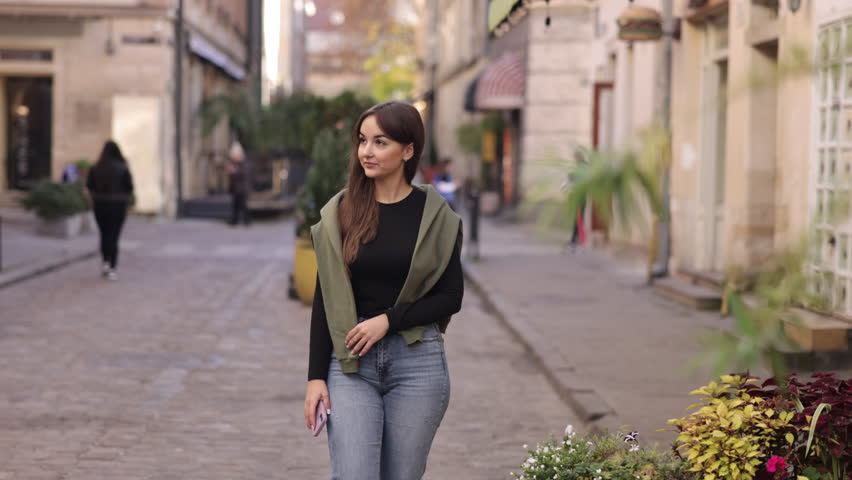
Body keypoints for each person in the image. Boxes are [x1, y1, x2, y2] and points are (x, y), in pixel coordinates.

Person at [304, 101, 464, 480]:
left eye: (380, 142)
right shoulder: (342, 211)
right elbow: (325, 296)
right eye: (362, 141)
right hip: (351, 363)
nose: (366, 151)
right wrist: (315, 377)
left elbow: (450, 297)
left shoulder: (435, 215)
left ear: (408, 151)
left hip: (417, 363)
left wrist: (387, 322)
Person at [86, 140, 134, 280]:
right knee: (114, 236)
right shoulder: (123, 167)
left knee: (104, 234)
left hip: (100, 205)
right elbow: (130, 187)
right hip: (117, 206)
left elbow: (89, 186)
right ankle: (112, 266)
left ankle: (105, 262)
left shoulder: (96, 167)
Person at [226, 140, 250, 226]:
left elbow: (244, 174)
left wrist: (235, 171)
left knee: (243, 205)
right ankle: (234, 221)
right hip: (236, 188)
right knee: (235, 205)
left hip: (242, 188)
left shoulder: (243, 163)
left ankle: (246, 220)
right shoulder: (234, 163)